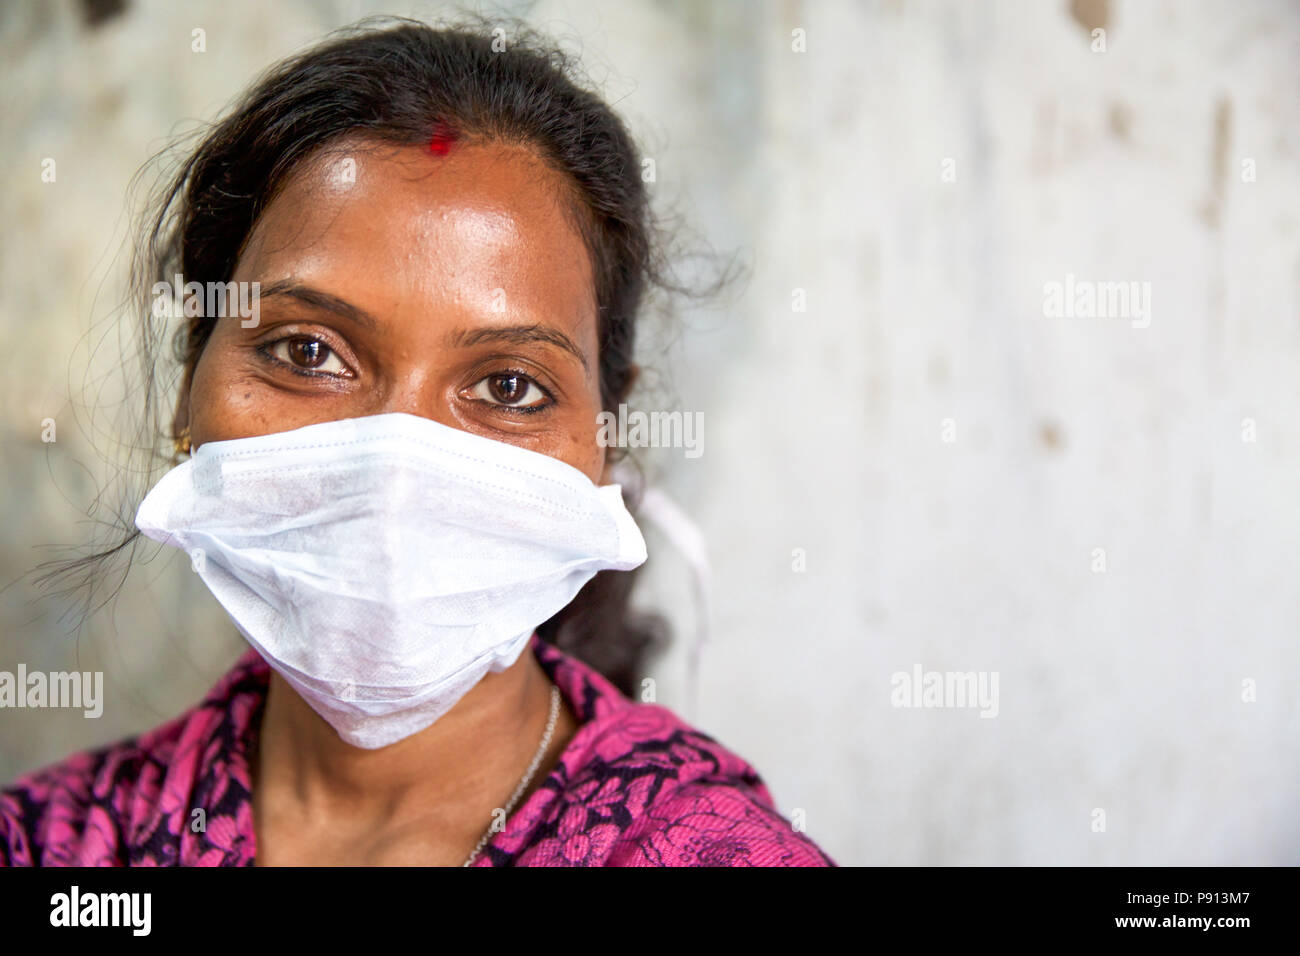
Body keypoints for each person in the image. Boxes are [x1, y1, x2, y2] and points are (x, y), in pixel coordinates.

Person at [0, 18, 834, 867]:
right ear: (190, 388)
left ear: (602, 446)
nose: (392, 466)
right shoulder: (55, 849)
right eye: (307, 352)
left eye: (508, 388)